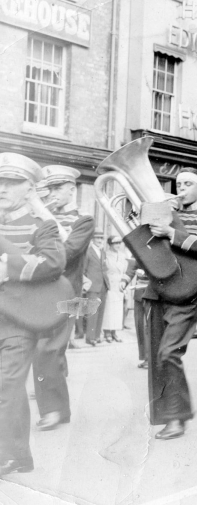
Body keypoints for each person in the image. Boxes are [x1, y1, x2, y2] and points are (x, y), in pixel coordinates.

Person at [0, 153, 68, 476]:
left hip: (18, 318)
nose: (2, 189)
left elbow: (54, 264)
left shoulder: (42, 225)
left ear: (29, 188)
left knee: (8, 384)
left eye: (11, 183)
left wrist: (8, 268)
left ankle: (13, 455)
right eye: (0, 182)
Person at [145, 168, 197, 440]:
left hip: (186, 293)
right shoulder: (166, 212)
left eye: (188, 184)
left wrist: (170, 231)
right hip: (158, 289)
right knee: (157, 357)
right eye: (179, 184)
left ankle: (177, 416)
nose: (182, 188)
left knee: (169, 354)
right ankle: (168, 415)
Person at [32, 166, 94, 431]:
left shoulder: (84, 220)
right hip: (40, 291)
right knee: (45, 349)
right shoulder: (41, 218)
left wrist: (42, 213)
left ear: (72, 190)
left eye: (59, 188)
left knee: (48, 349)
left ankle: (54, 410)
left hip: (69, 292)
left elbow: (66, 252)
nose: (53, 194)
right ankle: (58, 407)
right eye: (51, 188)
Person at [122, 258, 149, 368]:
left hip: (153, 294)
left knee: (150, 327)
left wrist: (147, 272)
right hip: (139, 294)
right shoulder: (139, 246)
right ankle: (146, 357)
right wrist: (124, 281)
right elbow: (133, 266)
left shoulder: (159, 244)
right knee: (140, 327)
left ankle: (151, 359)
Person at [83, 231, 108, 346]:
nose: (99, 240)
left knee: (101, 312)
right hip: (92, 286)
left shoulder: (102, 251)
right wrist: (85, 285)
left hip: (103, 285)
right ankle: (90, 337)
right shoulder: (88, 252)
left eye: (101, 238)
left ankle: (97, 336)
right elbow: (83, 271)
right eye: (97, 238)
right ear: (92, 239)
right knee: (92, 312)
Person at [102, 236, 128, 342]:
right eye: (115, 243)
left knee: (117, 309)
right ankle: (107, 332)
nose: (117, 245)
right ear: (110, 244)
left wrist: (123, 282)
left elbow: (125, 270)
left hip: (119, 285)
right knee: (109, 309)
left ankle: (114, 332)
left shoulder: (122, 255)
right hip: (109, 284)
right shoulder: (105, 255)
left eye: (119, 243)